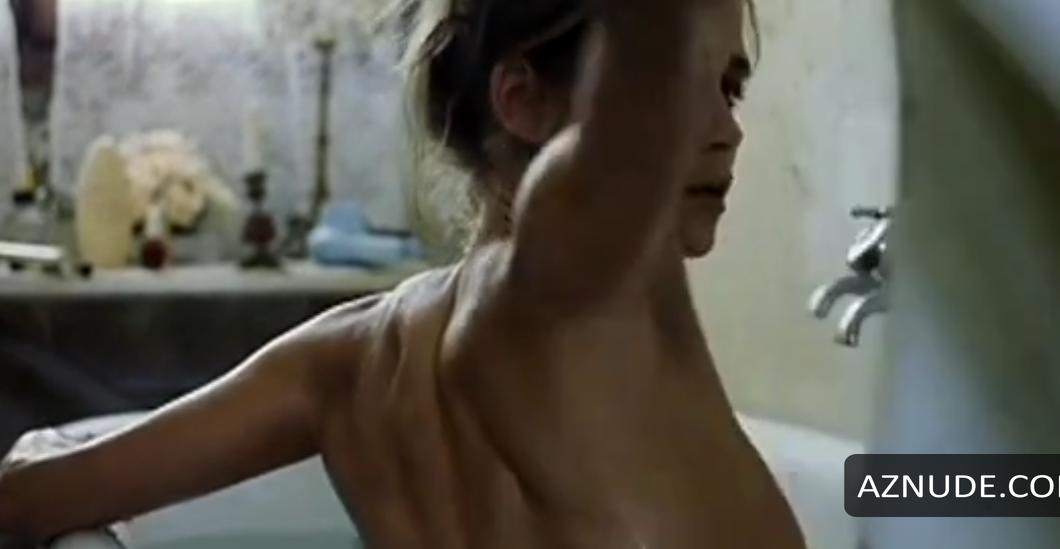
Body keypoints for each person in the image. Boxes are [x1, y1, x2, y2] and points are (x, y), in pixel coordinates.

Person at [0, 0, 807, 547]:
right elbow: (590, 192)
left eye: (729, 87)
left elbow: (31, 496)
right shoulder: (558, 308)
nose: (725, 130)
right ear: (521, 101)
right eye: (675, 86)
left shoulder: (341, 359)